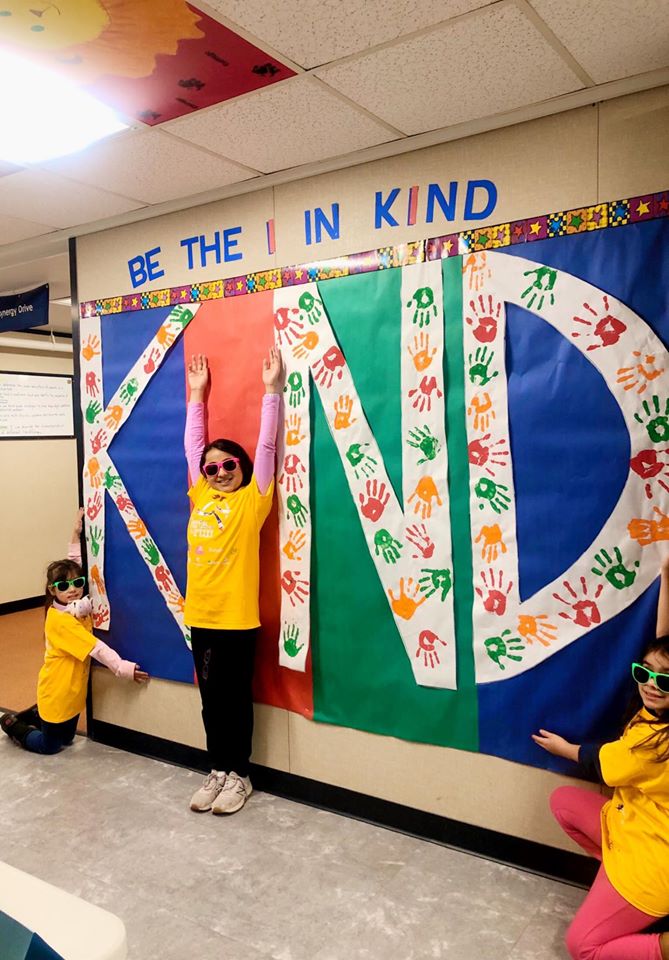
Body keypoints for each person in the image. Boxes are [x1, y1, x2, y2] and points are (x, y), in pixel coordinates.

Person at [533, 560, 669, 960]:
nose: (650, 685)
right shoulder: (657, 709)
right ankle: (616, 889)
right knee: (564, 803)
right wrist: (666, 571)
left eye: (664, 681)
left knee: (583, 947)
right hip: (634, 828)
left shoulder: (654, 744)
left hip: (653, 862)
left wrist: (564, 749)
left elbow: (598, 759)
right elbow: (663, 642)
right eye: (644, 673)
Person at [184, 348, 282, 815]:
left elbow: (267, 448)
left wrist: (271, 392)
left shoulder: (253, 501)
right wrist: (197, 395)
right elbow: (193, 445)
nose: (220, 472)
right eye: (212, 467)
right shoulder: (201, 493)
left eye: (228, 465)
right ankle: (217, 769)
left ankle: (240, 776)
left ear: (241, 468)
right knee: (210, 702)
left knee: (234, 701)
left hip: (237, 621)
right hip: (200, 616)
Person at [1, 509, 148, 754]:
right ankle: (13, 724)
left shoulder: (75, 606)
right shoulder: (61, 621)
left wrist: (76, 532)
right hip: (56, 691)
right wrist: (122, 668)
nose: (73, 589)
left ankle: (36, 714)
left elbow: (76, 566)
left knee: (68, 739)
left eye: (78, 583)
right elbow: (96, 648)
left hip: (72, 691)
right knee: (51, 746)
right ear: (52, 590)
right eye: (63, 586)